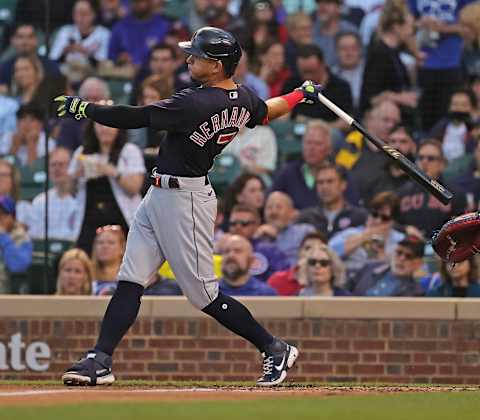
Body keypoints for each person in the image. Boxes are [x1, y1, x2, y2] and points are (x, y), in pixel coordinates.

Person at [55, 27, 325, 387]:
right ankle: (100, 358)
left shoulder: (195, 102)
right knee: (131, 278)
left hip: (186, 199)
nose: (189, 60)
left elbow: (136, 116)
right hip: (160, 194)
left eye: (197, 56)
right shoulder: (241, 97)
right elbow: (266, 112)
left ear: (216, 66)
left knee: (204, 295)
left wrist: (84, 108)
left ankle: (274, 348)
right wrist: (297, 96)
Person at [69, 120, 146, 255]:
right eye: (100, 124)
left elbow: (135, 187)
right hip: (90, 221)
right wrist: (77, 175)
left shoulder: (129, 151)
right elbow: (70, 190)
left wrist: (112, 171)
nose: (105, 129)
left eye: (109, 124)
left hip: (122, 220)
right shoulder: (81, 152)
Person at [397, 139, 467, 236]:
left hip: (441, 246)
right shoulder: (402, 191)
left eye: (431, 158)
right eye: (421, 158)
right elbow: (391, 222)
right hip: (409, 245)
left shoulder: (454, 193)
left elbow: (463, 226)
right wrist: (405, 229)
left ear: (442, 164)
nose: (424, 162)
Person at [296, 161, 367, 239]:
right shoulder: (305, 218)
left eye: (330, 181)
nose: (324, 187)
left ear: (343, 185)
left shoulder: (360, 217)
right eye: (320, 182)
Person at [49, 0, 111, 84]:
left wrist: (85, 52)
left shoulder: (104, 34)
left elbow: (102, 64)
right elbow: (53, 61)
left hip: (91, 78)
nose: (79, 18)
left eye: (84, 14)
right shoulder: (65, 31)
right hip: (65, 78)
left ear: (94, 14)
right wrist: (65, 51)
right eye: (76, 13)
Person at [25, 147, 80, 241]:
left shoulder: (81, 199)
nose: (57, 168)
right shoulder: (40, 201)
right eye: (53, 165)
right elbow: (34, 233)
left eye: (61, 164)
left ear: (72, 167)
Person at [228, 204, 288, 283]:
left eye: (244, 223)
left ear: (256, 225)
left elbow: (283, 279)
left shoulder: (269, 250)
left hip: (262, 294)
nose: (238, 227)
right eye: (233, 223)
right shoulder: (221, 248)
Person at [350, 235, 425, 296]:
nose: (401, 258)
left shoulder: (415, 292)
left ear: (418, 264)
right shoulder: (370, 268)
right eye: (399, 252)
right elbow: (347, 288)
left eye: (409, 256)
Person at [256, 191, 316, 266]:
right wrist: (256, 240)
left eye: (279, 207)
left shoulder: (305, 231)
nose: (274, 212)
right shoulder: (258, 236)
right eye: (269, 208)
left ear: (291, 212)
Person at [268, 231, 327, 296]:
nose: (312, 253)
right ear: (299, 252)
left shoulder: (329, 282)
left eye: (319, 249)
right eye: (308, 248)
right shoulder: (277, 279)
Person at [0, 195, 32, 293]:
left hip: (6, 291)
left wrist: (3, 236)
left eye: (3, 214)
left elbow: (18, 266)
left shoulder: (22, 237)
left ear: (13, 217)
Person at [91, 225, 126, 296]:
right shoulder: (86, 272)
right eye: (100, 242)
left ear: (122, 248)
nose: (105, 246)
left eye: (111, 242)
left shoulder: (130, 275)